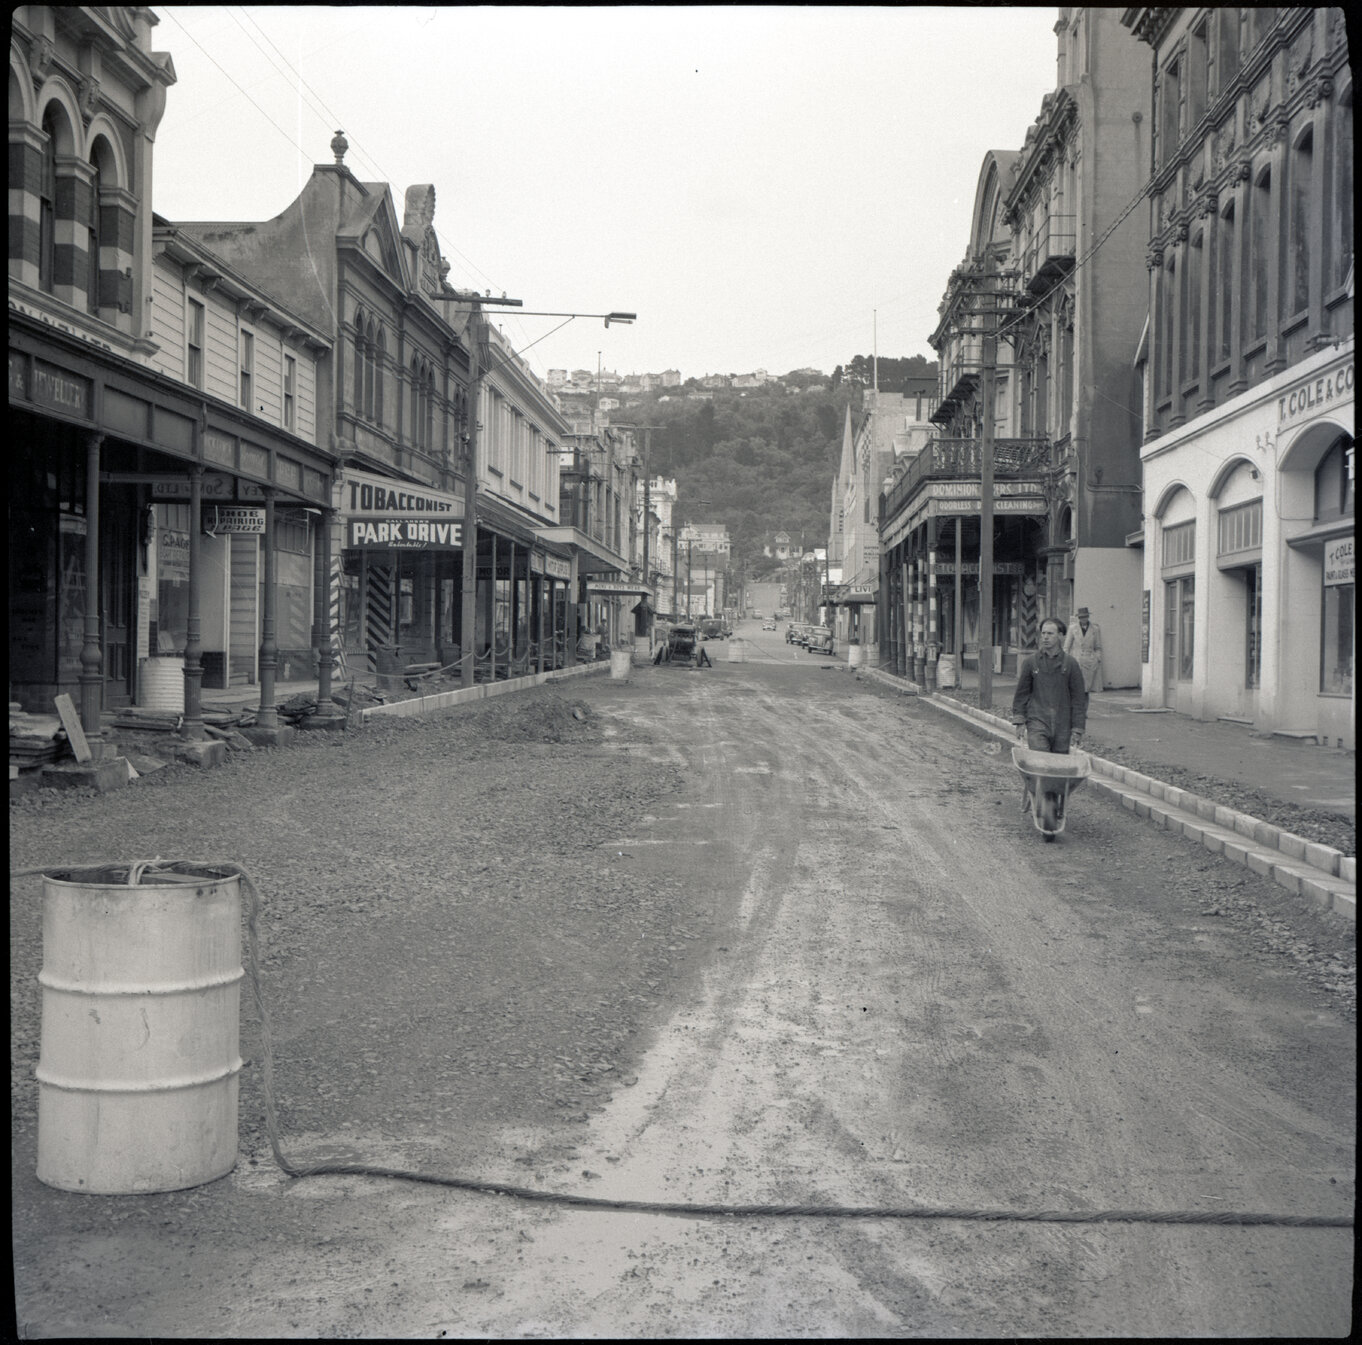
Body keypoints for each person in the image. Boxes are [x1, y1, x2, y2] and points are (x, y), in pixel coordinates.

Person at [1012, 617, 1088, 814]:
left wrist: (1077, 728)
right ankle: (1040, 799)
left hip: (1063, 724)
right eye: (1043, 633)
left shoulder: (1071, 665)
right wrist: (1020, 720)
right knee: (1041, 764)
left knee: (1058, 770)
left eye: (1050, 633)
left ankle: (1053, 803)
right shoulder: (1031, 663)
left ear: (1061, 636)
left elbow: (1079, 699)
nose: (1045, 637)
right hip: (1038, 721)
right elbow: (1021, 694)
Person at [1063, 605, 1104, 692]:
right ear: (1078, 618)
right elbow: (1067, 646)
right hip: (1077, 659)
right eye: (1081, 617)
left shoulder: (1095, 629)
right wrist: (1065, 660)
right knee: (1077, 688)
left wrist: (1097, 658)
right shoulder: (1073, 628)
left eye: (1085, 617)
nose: (1083, 619)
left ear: (1088, 617)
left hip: (1090, 660)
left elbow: (1098, 647)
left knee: (1088, 689)